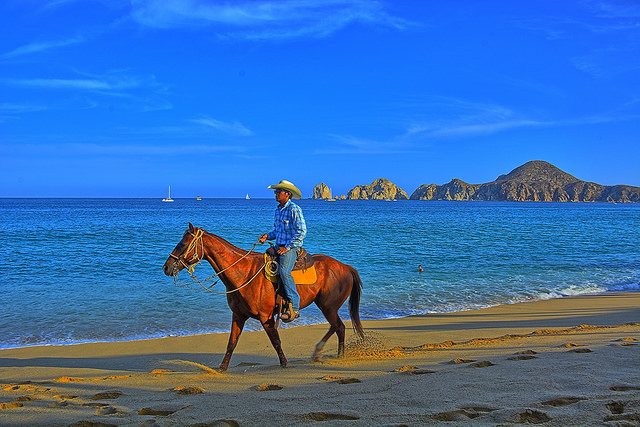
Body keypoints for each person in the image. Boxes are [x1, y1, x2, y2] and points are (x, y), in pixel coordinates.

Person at [259, 180, 307, 322]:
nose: (276, 194)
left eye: (278, 192)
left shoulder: (294, 209)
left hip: (291, 247)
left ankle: (295, 307)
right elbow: (278, 231)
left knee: (284, 271)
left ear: (287, 194)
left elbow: (302, 231)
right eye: (276, 192)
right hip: (278, 245)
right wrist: (267, 235)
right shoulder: (278, 210)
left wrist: (287, 247)